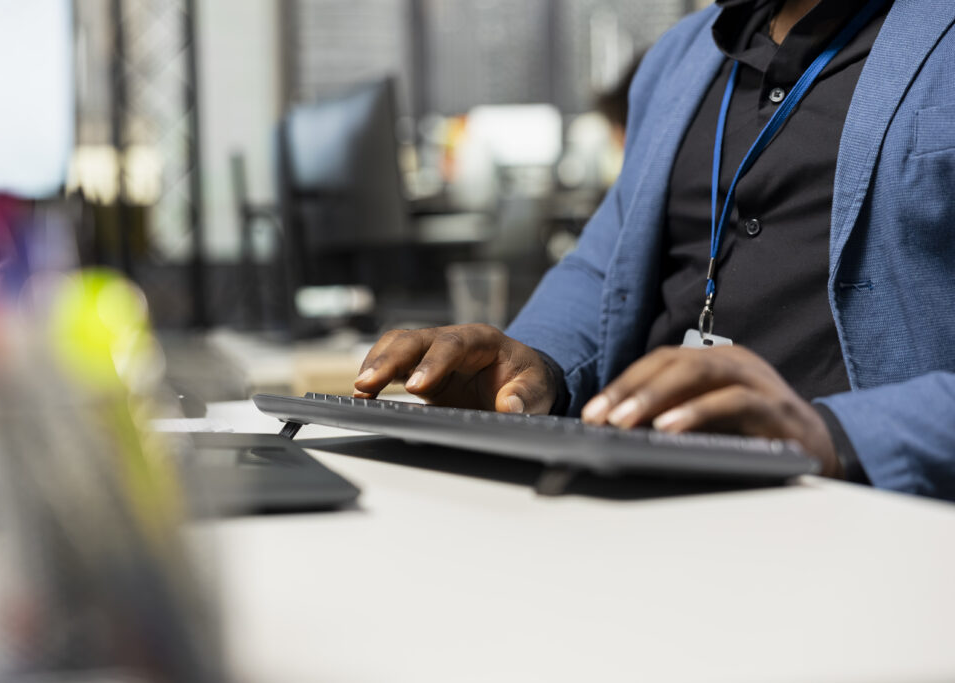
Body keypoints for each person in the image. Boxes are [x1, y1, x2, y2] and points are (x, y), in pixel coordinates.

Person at [354, 0, 955, 501]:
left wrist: (836, 434)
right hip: (644, 496)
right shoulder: (681, 55)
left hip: (850, 511)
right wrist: (535, 365)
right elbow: (604, 264)